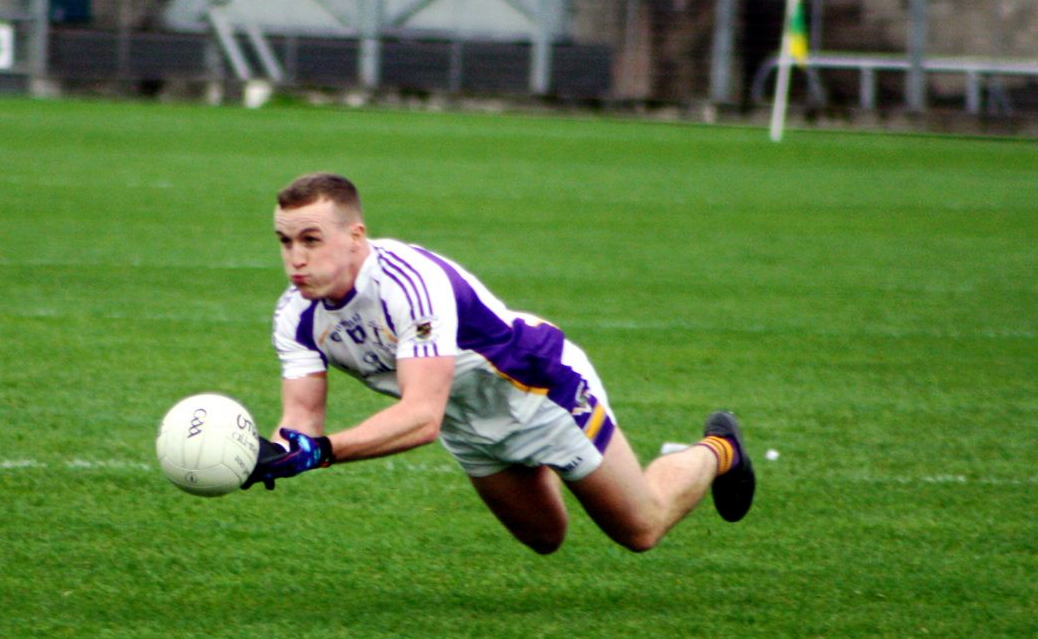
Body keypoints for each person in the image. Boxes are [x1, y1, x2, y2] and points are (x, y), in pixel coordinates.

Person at [243, 173, 755, 555]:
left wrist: (322, 453)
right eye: (285, 241)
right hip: (468, 424)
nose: (296, 257)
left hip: (540, 391)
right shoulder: (295, 316)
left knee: (639, 530)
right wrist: (257, 455)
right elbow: (302, 422)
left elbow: (422, 418)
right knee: (546, 538)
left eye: (311, 239)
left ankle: (719, 449)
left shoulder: (408, 282)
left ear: (356, 236)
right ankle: (552, 466)